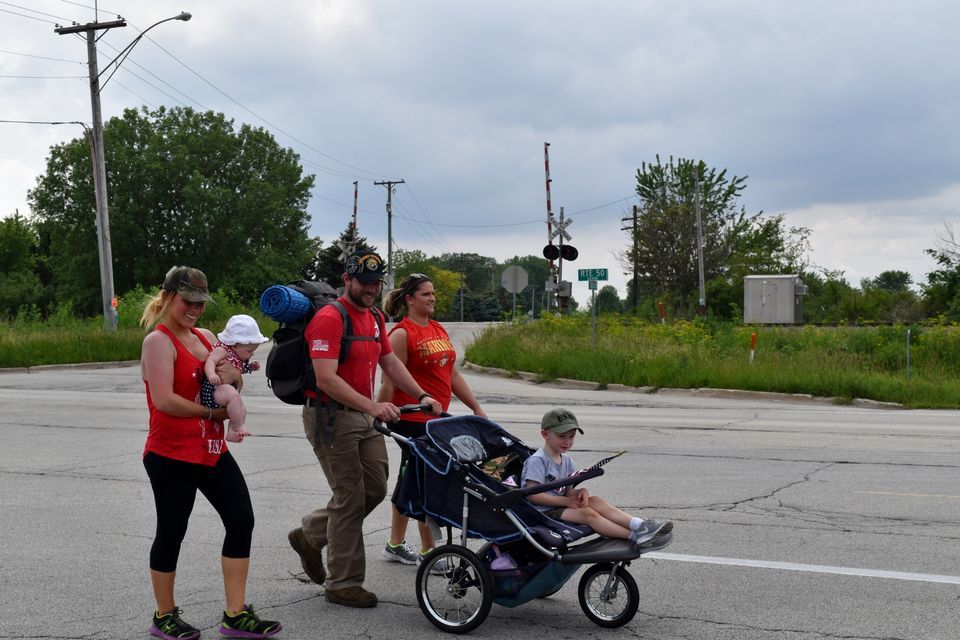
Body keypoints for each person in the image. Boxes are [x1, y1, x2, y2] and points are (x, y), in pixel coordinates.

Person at [287, 250, 442, 609]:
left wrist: (421, 393)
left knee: (374, 488)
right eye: (365, 282)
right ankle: (343, 583)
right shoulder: (329, 319)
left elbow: (388, 360)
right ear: (347, 280)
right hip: (331, 416)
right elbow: (326, 379)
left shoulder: (373, 316)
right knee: (350, 498)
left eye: (376, 283)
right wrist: (372, 405)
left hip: (363, 416)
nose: (372, 289)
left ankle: (310, 534)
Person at [140, 266, 281, 640]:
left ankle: (235, 615)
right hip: (171, 452)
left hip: (211, 448)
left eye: (201, 303)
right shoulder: (159, 341)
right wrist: (212, 412)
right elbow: (165, 399)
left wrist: (233, 384)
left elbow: (231, 375)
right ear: (169, 295)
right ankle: (164, 616)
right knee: (172, 531)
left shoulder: (205, 336)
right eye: (189, 301)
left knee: (241, 520)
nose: (196, 309)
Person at [376, 272, 486, 568]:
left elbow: (452, 375)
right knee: (428, 480)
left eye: (433, 293)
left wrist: (476, 408)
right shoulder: (401, 334)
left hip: (436, 419)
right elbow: (388, 380)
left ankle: (395, 544)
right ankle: (429, 552)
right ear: (410, 299)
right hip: (410, 417)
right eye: (426, 294)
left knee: (410, 479)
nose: (433, 298)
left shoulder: (437, 329)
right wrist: (376, 413)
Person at [521, 407, 673, 547]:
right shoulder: (538, 460)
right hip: (542, 512)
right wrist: (566, 501)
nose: (567, 442)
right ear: (545, 434)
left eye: (571, 437)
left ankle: (640, 525)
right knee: (588, 514)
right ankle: (635, 537)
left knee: (596, 500)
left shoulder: (567, 461)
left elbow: (566, 491)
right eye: (561, 436)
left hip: (560, 506)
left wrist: (579, 493)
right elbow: (533, 495)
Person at [201, 314, 269, 443]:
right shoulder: (222, 349)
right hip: (213, 390)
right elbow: (210, 361)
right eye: (249, 351)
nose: (252, 354)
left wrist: (250, 368)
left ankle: (232, 433)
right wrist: (211, 375)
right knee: (234, 397)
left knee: (241, 409)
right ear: (236, 344)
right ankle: (238, 426)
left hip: (223, 389)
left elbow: (236, 370)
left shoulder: (236, 354)